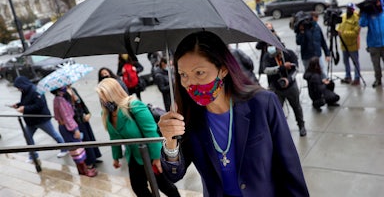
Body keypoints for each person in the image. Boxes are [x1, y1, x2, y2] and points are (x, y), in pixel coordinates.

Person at [157, 31, 309, 196]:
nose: (190, 83)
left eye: (199, 73)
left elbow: (289, 168)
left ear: (223, 69)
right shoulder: (187, 116)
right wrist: (170, 142)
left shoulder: (262, 104)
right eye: (183, 75)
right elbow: (174, 174)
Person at [95, 78, 180, 197]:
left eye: (103, 95)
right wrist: (116, 157)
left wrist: (156, 158)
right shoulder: (106, 114)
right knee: (138, 187)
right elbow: (114, 137)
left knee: (164, 185)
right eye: (100, 97)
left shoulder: (133, 106)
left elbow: (151, 132)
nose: (102, 100)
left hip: (150, 153)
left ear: (112, 93)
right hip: (134, 156)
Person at [12, 76, 68, 163]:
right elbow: (27, 102)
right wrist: (19, 105)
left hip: (41, 119)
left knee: (53, 134)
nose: (18, 89)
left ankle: (64, 148)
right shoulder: (25, 91)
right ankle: (33, 155)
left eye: (19, 87)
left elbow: (39, 105)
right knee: (28, 136)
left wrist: (24, 109)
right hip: (31, 121)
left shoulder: (35, 90)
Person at [51, 87, 97, 177]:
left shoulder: (57, 99)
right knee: (77, 150)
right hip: (69, 128)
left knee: (75, 150)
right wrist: (75, 129)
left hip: (64, 127)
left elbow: (57, 116)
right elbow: (67, 117)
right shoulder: (61, 100)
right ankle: (85, 171)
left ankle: (83, 170)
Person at [262, 46, 307, 136]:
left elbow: (296, 69)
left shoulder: (289, 53)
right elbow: (266, 70)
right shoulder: (267, 56)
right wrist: (281, 67)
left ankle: (301, 126)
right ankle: (279, 130)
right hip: (276, 88)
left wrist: (288, 79)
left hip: (291, 87)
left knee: (297, 107)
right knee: (276, 111)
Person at [66, 85, 102, 169]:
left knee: (90, 137)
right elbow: (67, 110)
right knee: (84, 139)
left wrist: (87, 113)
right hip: (76, 120)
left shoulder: (73, 89)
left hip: (82, 117)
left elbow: (82, 103)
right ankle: (89, 161)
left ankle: (95, 156)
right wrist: (72, 102)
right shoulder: (63, 95)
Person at [359, 0, 384, 88]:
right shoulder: (369, 14)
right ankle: (378, 79)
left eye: (378, 1)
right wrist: (364, 13)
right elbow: (362, 24)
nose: (377, 3)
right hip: (374, 44)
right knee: (376, 65)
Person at [296, 11, 331, 79]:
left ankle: (324, 86)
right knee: (309, 75)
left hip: (317, 55)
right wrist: (302, 32)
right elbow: (298, 42)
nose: (317, 19)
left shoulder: (317, 27)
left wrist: (327, 54)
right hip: (307, 56)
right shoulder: (303, 28)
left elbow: (322, 41)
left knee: (322, 72)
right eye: (316, 17)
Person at [337, 2, 361, 85]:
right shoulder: (343, 16)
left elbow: (355, 33)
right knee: (345, 61)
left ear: (353, 10)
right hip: (343, 44)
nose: (348, 10)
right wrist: (337, 31)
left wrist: (343, 33)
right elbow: (339, 27)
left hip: (352, 45)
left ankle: (357, 78)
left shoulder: (357, 19)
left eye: (350, 9)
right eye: (347, 8)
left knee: (355, 62)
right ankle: (348, 76)